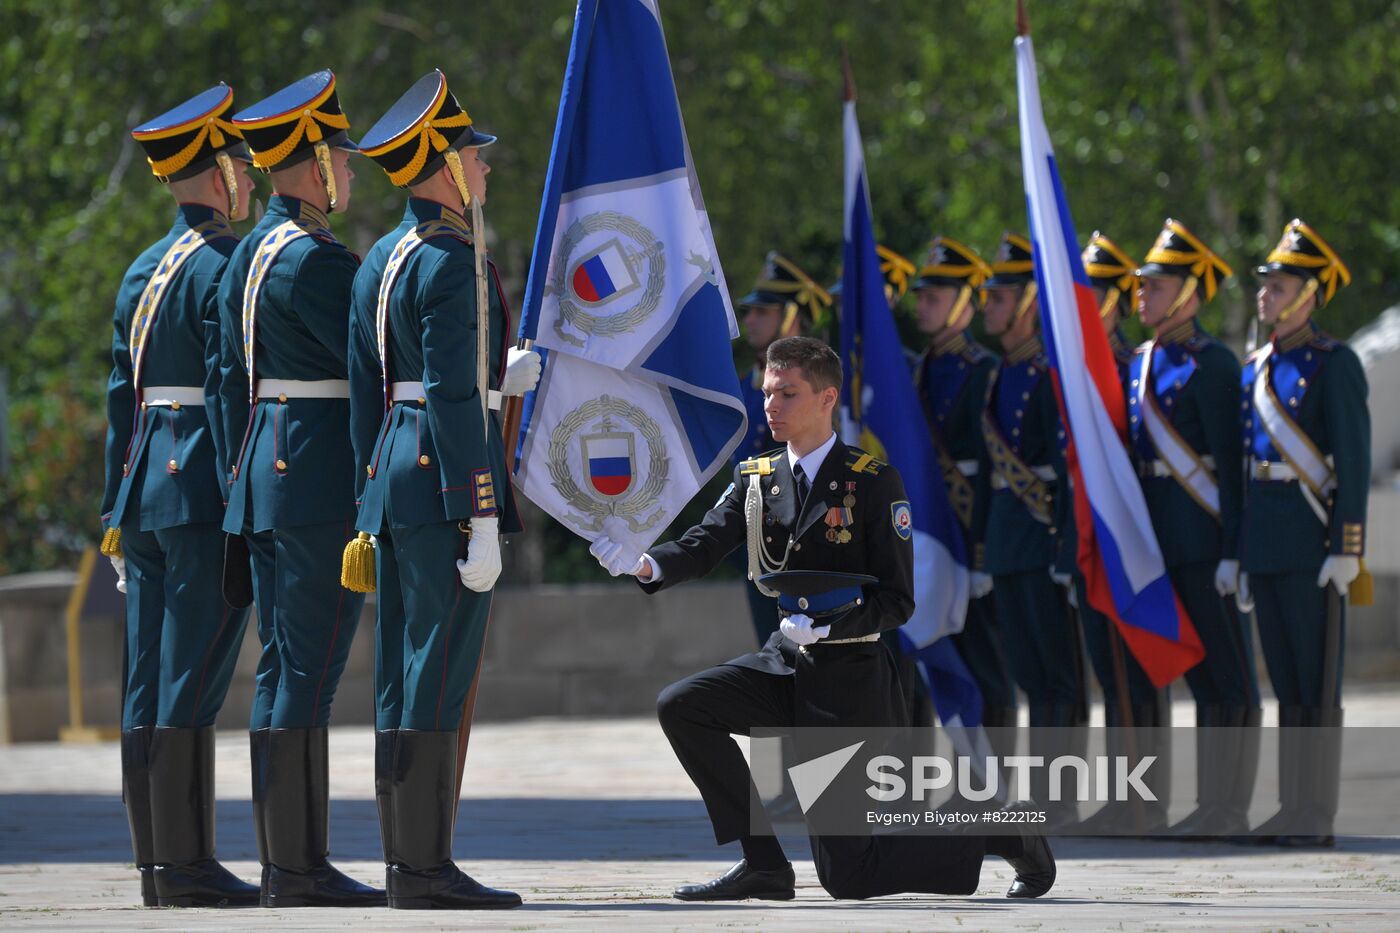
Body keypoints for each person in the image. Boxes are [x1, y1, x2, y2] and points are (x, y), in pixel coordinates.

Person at [589, 336, 1055, 902]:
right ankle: (762, 864)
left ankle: (1004, 831)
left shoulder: (872, 480)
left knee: (849, 876)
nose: (771, 406)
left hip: (852, 677)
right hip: (785, 660)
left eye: (787, 393)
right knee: (684, 705)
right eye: (767, 393)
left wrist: (835, 625)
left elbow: (898, 600)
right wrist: (647, 563)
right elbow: (708, 540)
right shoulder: (756, 478)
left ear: (826, 398)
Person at [345, 69, 537, 908]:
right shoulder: (455, 262)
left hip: (396, 476)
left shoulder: (380, 258)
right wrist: (482, 510)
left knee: (401, 672)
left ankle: (405, 861)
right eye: (473, 155)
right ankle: (424, 868)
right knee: (436, 673)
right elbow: (454, 395)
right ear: (442, 169)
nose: (485, 169)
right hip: (444, 483)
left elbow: (368, 394)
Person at [216, 69, 382, 907]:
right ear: (315, 162)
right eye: (342, 158)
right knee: (307, 671)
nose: (349, 172)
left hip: (264, 475)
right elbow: (375, 362)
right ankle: (300, 866)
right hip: (316, 483)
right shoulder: (316, 261)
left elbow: (222, 383)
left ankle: (287, 862)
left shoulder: (251, 249)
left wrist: (233, 478)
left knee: (283, 671)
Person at [101, 82, 260, 909]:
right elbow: (230, 386)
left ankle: (156, 862)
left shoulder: (140, 268)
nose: (249, 177)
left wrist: (111, 509)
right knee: (192, 675)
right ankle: (189, 861)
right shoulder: (227, 264)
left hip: (143, 488)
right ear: (215, 173)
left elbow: (118, 394)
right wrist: (244, 489)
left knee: (149, 678)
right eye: (240, 162)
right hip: (199, 485)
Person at [1238, 219, 1369, 847]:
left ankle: (1316, 813)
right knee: (1287, 684)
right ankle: (1292, 806)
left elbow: (1355, 458)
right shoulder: (1256, 368)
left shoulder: (1334, 364)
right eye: (1264, 282)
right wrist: (1240, 554)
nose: (1264, 293)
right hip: (1266, 544)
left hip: (1313, 544)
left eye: (1279, 283)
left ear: (1309, 293)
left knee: (1317, 685)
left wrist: (1348, 547)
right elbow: (1243, 468)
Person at [1130, 218, 1260, 836]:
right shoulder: (1140, 362)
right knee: (1200, 677)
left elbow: (1230, 468)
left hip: (1206, 539)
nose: (1141, 295)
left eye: (1155, 286)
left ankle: (1229, 805)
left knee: (1229, 677)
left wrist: (1236, 549)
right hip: (1161, 542)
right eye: (1140, 286)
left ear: (1188, 293)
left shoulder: (1213, 365)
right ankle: (1210, 802)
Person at [975, 232, 1085, 829]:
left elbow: (1067, 471)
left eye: (998, 298)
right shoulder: (1001, 374)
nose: (988, 307)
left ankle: (1057, 793)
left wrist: (1066, 546)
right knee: (1026, 671)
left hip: (1043, 535)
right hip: (1009, 540)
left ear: (1026, 305)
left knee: (1055, 673)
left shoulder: (1047, 373)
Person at [1071, 231, 1170, 834]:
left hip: (1130, 539)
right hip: (1090, 537)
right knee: (1109, 675)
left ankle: (1147, 800)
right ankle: (1123, 795)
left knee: (1136, 670)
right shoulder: (1084, 370)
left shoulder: (1131, 369)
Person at [909, 235, 1017, 742]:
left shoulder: (985, 372)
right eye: (922, 296)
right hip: (926, 541)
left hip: (966, 540)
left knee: (987, 670)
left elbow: (996, 475)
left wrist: (980, 553)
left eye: (934, 297)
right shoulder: (915, 372)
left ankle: (994, 797)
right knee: (927, 665)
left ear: (964, 305)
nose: (922, 305)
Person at [729, 252, 831, 646]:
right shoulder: (745, 382)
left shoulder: (819, 384)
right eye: (749, 311)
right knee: (772, 653)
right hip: (757, 539)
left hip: (808, 537)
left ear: (791, 317)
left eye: (763, 312)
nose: (750, 320)